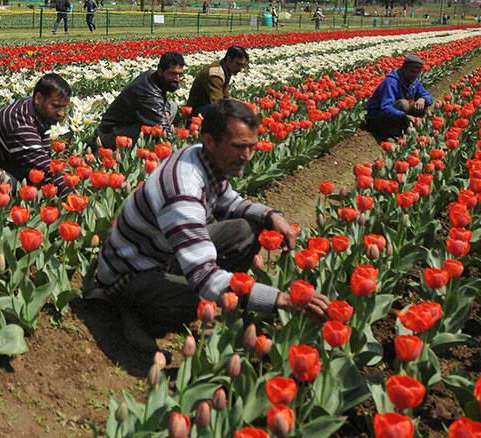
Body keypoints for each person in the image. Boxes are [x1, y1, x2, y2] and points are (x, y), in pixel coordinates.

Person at [93, 98, 330, 350]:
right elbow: (205, 278)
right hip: (130, 272)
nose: (247, 156)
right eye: (239, 146)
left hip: (163, 253)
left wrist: (272, 216)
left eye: (251, 146)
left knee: (246, 229)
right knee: (200, 298)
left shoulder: (200, 155)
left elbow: (230, 202)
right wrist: (280, 300)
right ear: (210, 140)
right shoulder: (183, 191)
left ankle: (223, 295)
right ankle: (134, 311)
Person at [96, 52, 185, 147]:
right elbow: (163, 130)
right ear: (160, 71)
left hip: (130, 122)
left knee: (172, 106)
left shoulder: (153, 76)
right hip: (110, 133)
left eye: (180, 74)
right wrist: (180, 146)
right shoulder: (148, 93)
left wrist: (166, 112)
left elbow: (163, 102)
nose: (177, 78)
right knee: (153, 131)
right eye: (173, 74)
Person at [364, 54, 434, 142]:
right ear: (404, 68)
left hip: (397, 113)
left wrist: (423, 99)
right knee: (403, 104)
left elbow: (428, 96)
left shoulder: (414, 81)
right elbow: (385, 108)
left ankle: (407, 128)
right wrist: (404, 116)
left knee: (423, 105)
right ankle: (388, 133)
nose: (415, 75)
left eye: (417, 72)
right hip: (377, 117)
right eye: (412, 71)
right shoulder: (391, 82)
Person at [185, 46, 250, 118]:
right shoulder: (216, 74)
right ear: (228, 59)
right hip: (197, 111)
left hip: (208, 106)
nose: (240, 69)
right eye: (238, 64)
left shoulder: (225, 68)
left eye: (243, 65)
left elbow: (225, 96)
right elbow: (218, 103)